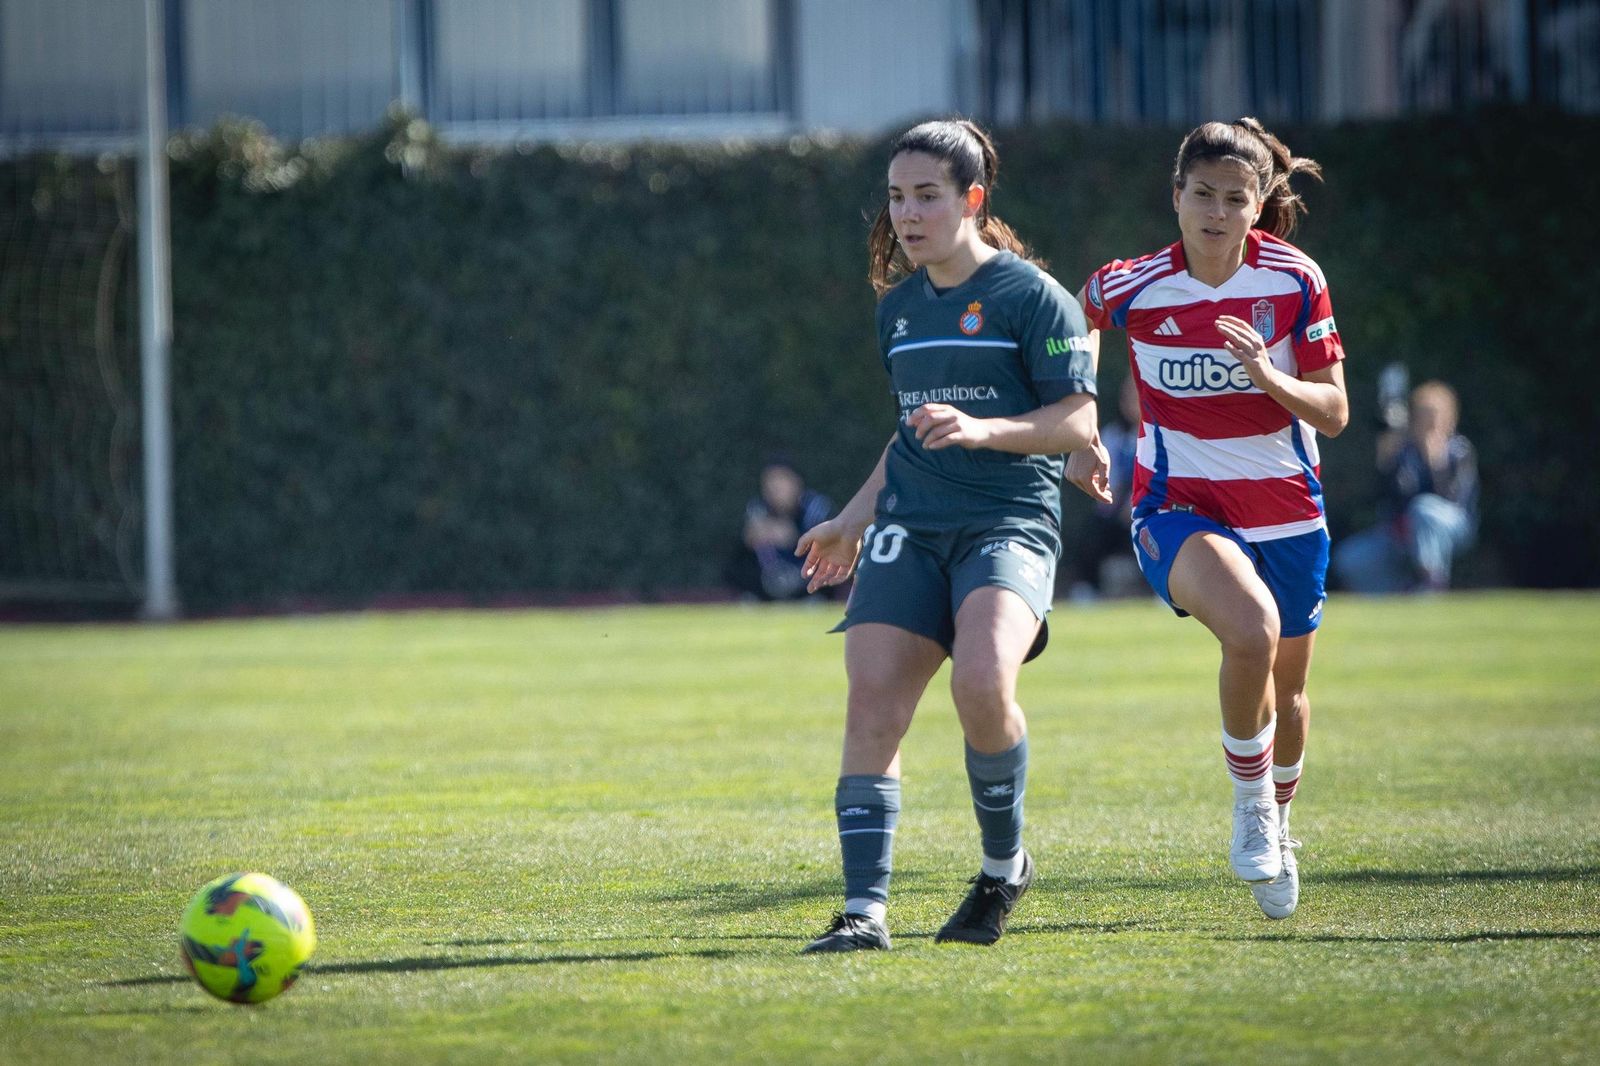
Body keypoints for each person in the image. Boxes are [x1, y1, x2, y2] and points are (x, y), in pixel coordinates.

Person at [793, 118, 1098, 952]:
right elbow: (910, 434)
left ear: (973, 199)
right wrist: (852, 522)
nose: (908, 214)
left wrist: (984, 429)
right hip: (912, 528)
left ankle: (1004, 868)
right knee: (873, 699)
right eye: (896, 197)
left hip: (1007, 523)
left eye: (927, 195)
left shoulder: (1033, 296)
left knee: (982, 680)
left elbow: (1077, 418)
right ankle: (864, 912)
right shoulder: (897, 311)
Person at [1067, 117, 1347, 920]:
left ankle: (1281, 821)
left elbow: (1334, 412)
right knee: (1250, 631)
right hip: (1175, 506)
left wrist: (1268, 377)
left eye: (1234, 197)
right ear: (1177, 197)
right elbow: (1076, 318)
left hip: (1287, 511)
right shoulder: (1135, 284)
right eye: (1202, 194)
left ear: (1259, 204)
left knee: (1287, 697)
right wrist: (1084, 430)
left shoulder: (1294, 281)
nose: (1216, 212)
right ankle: (1251, 809)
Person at [1333, 379, 1477, 593]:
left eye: (1434, 416)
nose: (1429, 424)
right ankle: (1401, 596)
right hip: (1400, 531)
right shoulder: (1404, 452)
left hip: (1453, 527)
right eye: (1424, 416)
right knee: (1349, 559)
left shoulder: (1459, 450)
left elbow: (1451, 500)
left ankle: (1431, 585)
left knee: (1424, 509)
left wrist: (1435, 464)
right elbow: (1389, 497)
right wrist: (1388, 461)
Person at [725, 459, 834, 601]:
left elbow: (832, 547)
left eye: (782, 479)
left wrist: (795, 537)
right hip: (769, 581)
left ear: (796, 482)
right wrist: (750, 537)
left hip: (807, 581)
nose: (774, 487)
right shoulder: (757, 509)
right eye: (769, 481)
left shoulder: (815, 507)